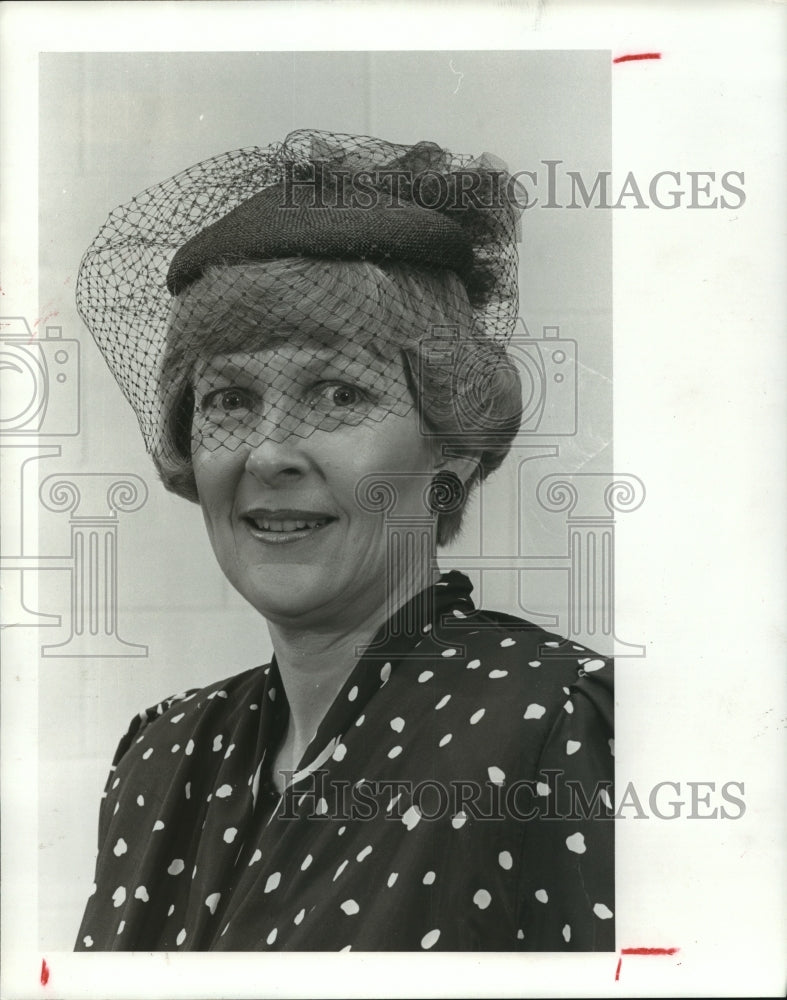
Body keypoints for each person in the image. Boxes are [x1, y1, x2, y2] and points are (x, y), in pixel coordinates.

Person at [74, 130, 614, 952]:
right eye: (228, 400)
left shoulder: (550, 722)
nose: (269, 453)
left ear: (453, 446)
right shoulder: (161, 754)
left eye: (337, 393)